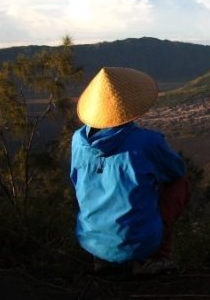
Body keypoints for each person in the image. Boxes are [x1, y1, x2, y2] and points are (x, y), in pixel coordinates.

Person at [70, 67, 190, 275]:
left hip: (90, 240)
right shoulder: (147, 142)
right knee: (180, 183)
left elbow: (76, 182)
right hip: (138, 244)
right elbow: (176, 170)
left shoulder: (78, 141)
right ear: (130, 105)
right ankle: (155, 259)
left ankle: (104, 257)